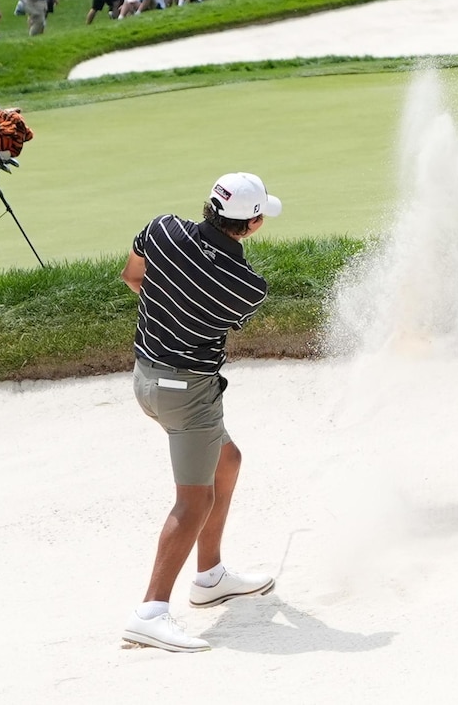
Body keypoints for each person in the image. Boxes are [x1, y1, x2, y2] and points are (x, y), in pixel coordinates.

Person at [118, 173, 280, 654]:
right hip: (188, 395)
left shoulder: (162, 228)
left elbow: (133, 278)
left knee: (227, 462)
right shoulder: (248, 286)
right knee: (194, 502)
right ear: (251, 224)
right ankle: (150, 612)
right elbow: (216, 307)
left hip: (146, 378)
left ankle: (209, 576)